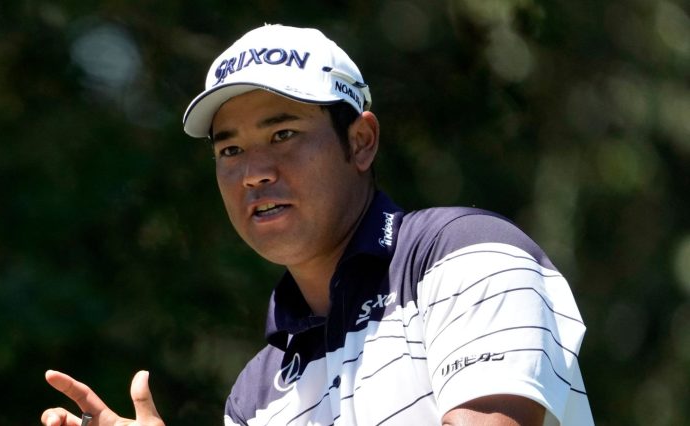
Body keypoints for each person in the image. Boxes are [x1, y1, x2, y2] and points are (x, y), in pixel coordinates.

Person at [41, 24, 594, 425]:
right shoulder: (254, 395)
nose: (254, 172)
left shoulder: (466, 254)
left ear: (360, 142)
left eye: (283, 134)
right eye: (230, 148)